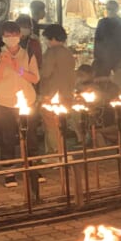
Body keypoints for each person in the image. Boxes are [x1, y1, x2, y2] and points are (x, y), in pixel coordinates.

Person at [0, 21, 40, 187]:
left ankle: (32, 167)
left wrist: (18, 68)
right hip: (3, 102)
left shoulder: (28, 54)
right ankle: (9, 171)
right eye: (7, 35)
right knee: (6, 137)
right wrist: (3, 64)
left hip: (26, 101)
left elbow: (35, 78)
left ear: (20, 36)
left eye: (14, 35)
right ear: (2, 37)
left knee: (30, 136)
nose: (11, 39)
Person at [39, 24, 76, 157]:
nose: (45, 42)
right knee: (61, 125)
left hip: (51, 94)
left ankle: (55, 153)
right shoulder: (68, 53)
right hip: (67, 93)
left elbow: (45, 73)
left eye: (46, 39)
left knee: (51, 126)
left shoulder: (51, 52)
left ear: (52, 38)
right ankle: (59, 152)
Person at [93, 0, 121, 91]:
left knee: (114, 81)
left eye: (110, 9)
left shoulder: (104, 22)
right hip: (110, 56)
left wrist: (97, 55)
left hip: (110, 56)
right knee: (114, 82)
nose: (109, 10)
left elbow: (98, 40)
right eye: (108, 8)